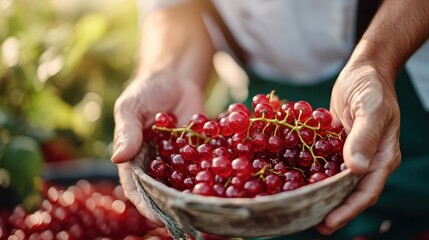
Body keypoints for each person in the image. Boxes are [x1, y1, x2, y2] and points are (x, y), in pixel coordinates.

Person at [111, 0, 429, 239]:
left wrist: (379, 60)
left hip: (402, 89)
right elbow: (175, 8)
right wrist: (164, 72)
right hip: (256, 112)